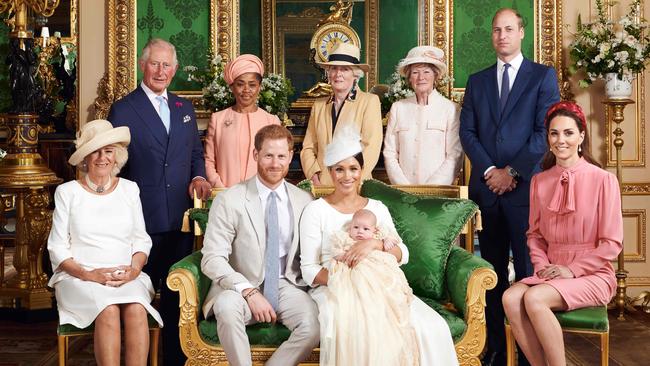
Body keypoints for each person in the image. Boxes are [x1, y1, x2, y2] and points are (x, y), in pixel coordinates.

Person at [300, 128, 458, 366]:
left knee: (430, 326)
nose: (347, 176)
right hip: (336, 288)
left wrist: (374, 244)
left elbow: (402, 253)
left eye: (353, 169)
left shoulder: (377, 208)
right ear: (330, 172)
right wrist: (349, 282)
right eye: (339, 169)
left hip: (383, 286)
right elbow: (309, 270)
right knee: (358, 325)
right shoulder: (315, 210)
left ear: (361, 171)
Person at [459, 8, 560, 365]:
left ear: (521, 33)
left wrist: (511, 172)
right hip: (487, 192)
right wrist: (489, 170)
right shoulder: (477, 80)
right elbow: (467, 133)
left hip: (525, 193)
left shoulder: (542, 77)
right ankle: (497, 350)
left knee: (529, 275)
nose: (501, 35)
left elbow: (542, 133)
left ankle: (530, 352)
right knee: (492, 273)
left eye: (508, 29)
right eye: (496, 30)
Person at [107, 38, 212, 365]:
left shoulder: (184, 108)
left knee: (177, 296)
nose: (161, 71)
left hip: (179, 217)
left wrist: (199, 177)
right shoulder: (124, 108)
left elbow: (195, 153)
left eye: (167, 65)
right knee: (140, 296)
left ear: (175, 69)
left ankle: (175, 359)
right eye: (155, 64)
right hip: (141, 220)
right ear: (143, 65)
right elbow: (114, 163)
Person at [502, 101, 623, 366]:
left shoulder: (604, 180)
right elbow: (534, 235)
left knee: (534, 298)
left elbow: (611, 243)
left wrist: (572, 270)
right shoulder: (539, 181)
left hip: (593, 274)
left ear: (581, 136)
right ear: (548, 138)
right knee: (510, 298)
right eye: (554, 133)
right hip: (551, 270)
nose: (561, 140)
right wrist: (542, 265)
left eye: (568, 133)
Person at [200, 124, 320, 366]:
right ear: (256, 155)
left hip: (287, 284)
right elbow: (212, 258)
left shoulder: (304, 200)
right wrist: (248, 290)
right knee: (225, 305)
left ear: (290, 157)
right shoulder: (229, 199)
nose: (275, 163)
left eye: (281, 156)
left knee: (313, 326)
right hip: (241, 285)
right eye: (268, 155)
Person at [47, 119, 163, 365]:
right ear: (85, 158)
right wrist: (89, 275)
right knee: (108, 309)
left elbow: (141, 240)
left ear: (117, 156)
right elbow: (57, 247)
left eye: (108, 151)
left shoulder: (130, 190)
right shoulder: (67, 192)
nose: (102, 158)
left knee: (136, 310)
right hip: (79, 277)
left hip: (126, 274)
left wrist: (134, 270)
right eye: (95, 151)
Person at [326, 208, 418, 366]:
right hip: (354, 268)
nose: (360, 232)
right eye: (356, 227)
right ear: (350, 227)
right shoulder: (344, 237)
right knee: (358, 283)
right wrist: (343, 256)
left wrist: (383, 243)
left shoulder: (379, 235)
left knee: (386, 281)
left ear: (374, 230)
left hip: (377, 266)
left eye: (365, 229)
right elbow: (335, 252)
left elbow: (397, 247)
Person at [300, 42, 383, 186]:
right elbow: (308, 147)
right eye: (333, 69)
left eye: (344, 69)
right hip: (322, 186)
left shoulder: (369, 101)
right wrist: (313, 175)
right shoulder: (319, 105)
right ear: (328, 73)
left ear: (355, 75)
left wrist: (353, 179)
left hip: (356, 185)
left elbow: (371, 146)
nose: (338, 74)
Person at [383, 45, 462, 185]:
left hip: (438, 192)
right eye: (415, 72)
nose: (421, 78)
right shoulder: (398, 108)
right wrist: (403, 187)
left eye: (426, 72)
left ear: (436, 76)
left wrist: (433, 188)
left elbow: (454, 155)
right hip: (403, 192)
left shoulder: (450, 109)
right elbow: (390, 153)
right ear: (409, 78)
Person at [204, 54, 281, 188]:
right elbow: (209, 160)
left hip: (261, 195)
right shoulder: (217, 119)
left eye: (252, 85)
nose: (246, 90)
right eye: (240, 84)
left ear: (259, 87)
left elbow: (277, 162)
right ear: (232, 87)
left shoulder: (271, 121)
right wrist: (220, 189)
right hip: (225, 195)